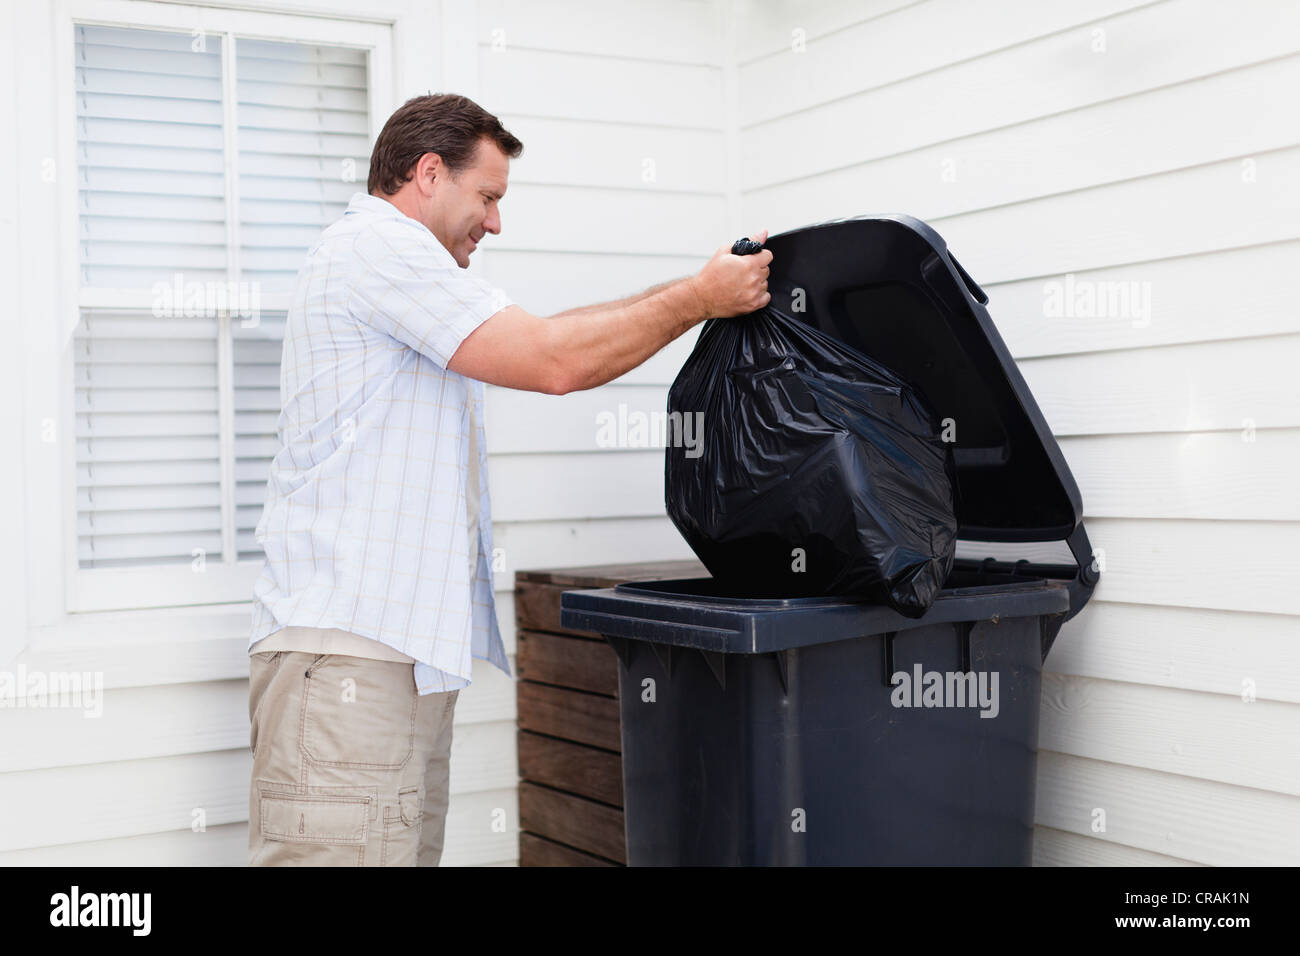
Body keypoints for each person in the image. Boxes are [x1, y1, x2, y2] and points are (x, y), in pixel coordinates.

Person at [245, 92, 771, 866]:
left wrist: (697, 292)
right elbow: (555, 361)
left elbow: (549, 334)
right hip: (348, 667)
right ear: (429, 173)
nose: (494, 222)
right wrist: (698, 299)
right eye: (487, 196)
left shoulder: (399, 271)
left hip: (386, 664)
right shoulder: (378, 249)